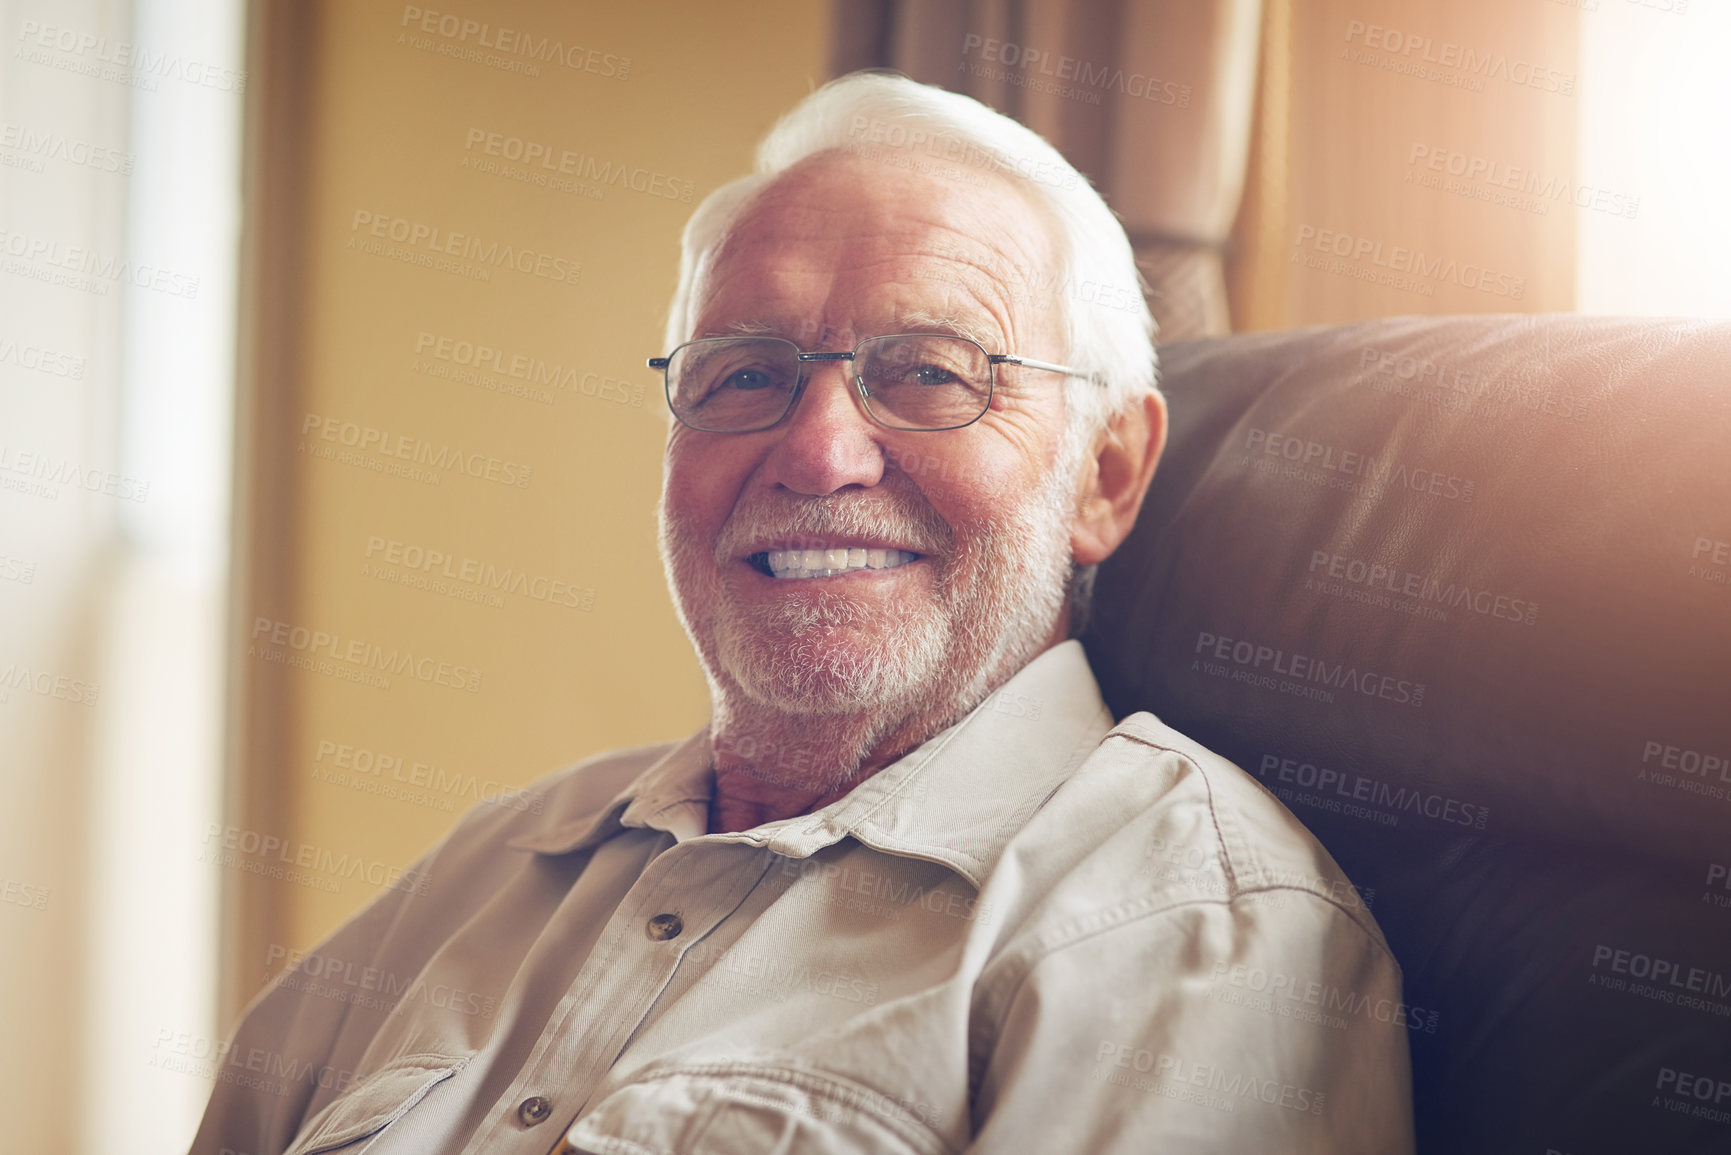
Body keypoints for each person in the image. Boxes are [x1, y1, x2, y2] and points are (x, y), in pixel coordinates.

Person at [191, 72, 1414, 1154]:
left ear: (1104, 473)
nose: (819, 452)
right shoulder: (490, 867)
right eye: (745, 375)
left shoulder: (1186, 928)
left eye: (933, 371)